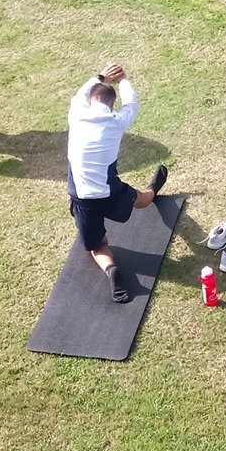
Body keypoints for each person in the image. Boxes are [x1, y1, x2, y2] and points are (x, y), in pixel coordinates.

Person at [67, 63, 169, 302]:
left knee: (97, 246)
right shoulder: (115, 122)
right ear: (112, 105)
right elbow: (132, 104)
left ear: (91, 101)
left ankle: (111, 270)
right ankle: (152, 191)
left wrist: (101, 76)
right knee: (140, 200)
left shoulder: (76, 114)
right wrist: (122, 80)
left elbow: (80, 93)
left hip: (82, 198)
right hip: (110, 191)